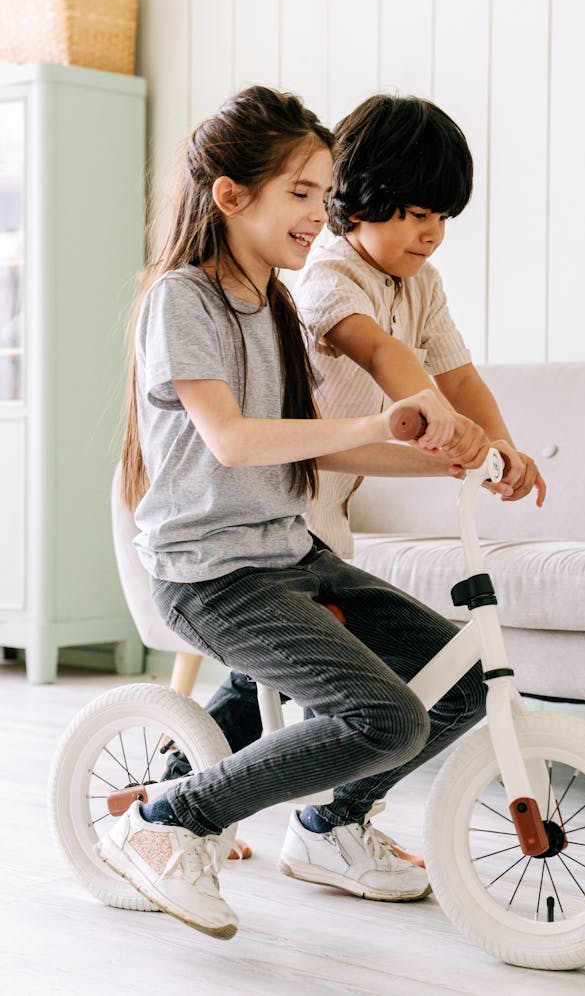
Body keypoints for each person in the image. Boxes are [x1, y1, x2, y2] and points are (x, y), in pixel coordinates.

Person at [98, 85, 490, 940]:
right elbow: (233, 440)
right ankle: (170, 820)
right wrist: (382, 419)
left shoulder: (275, 302)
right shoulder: (182, 299)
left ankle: (330, 825)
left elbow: (310, 448)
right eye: (302, 194)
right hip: (212, 574)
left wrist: (446, 456)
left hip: (289, 554)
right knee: (384, 716)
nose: (321, 214)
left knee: (459, 681)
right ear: (232, 196)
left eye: (324, 193)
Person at [177, 93, 546, 772]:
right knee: (305, 686)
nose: (431, 232)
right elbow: (381, 352)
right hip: (282, 497)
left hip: (329, 505)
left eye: (442, 217)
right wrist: (435, 418)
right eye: (415, 213)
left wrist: (499, 444)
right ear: (361, 199)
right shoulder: (328, 276)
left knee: (292, 684)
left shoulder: (422, 285)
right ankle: (184, 787)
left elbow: (459, 375)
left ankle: (287, 806)